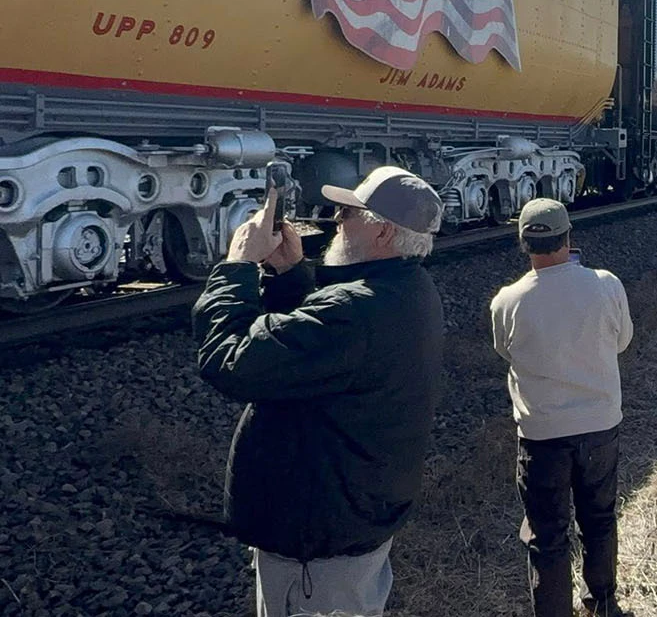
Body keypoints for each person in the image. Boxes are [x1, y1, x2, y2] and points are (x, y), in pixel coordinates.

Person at [192, 166, 444, 617]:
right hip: (353, 518)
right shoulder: (408, 289)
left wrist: (237, 267)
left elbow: (230, 361)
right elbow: (319, 354)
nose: (335, 219)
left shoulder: (354, 311)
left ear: (384, 232)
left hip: (316, 549)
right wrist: (288, 273)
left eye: (348, 212)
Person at [491, 200, 633, 617]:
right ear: (568, 238)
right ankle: (602, 603)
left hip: (542, 435)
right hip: (600, 424)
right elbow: (622, 341)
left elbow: (505, 351)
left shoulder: (507, 301)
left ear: (524, 244)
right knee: (600, 518)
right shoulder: (606, 284)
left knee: (547, 535)